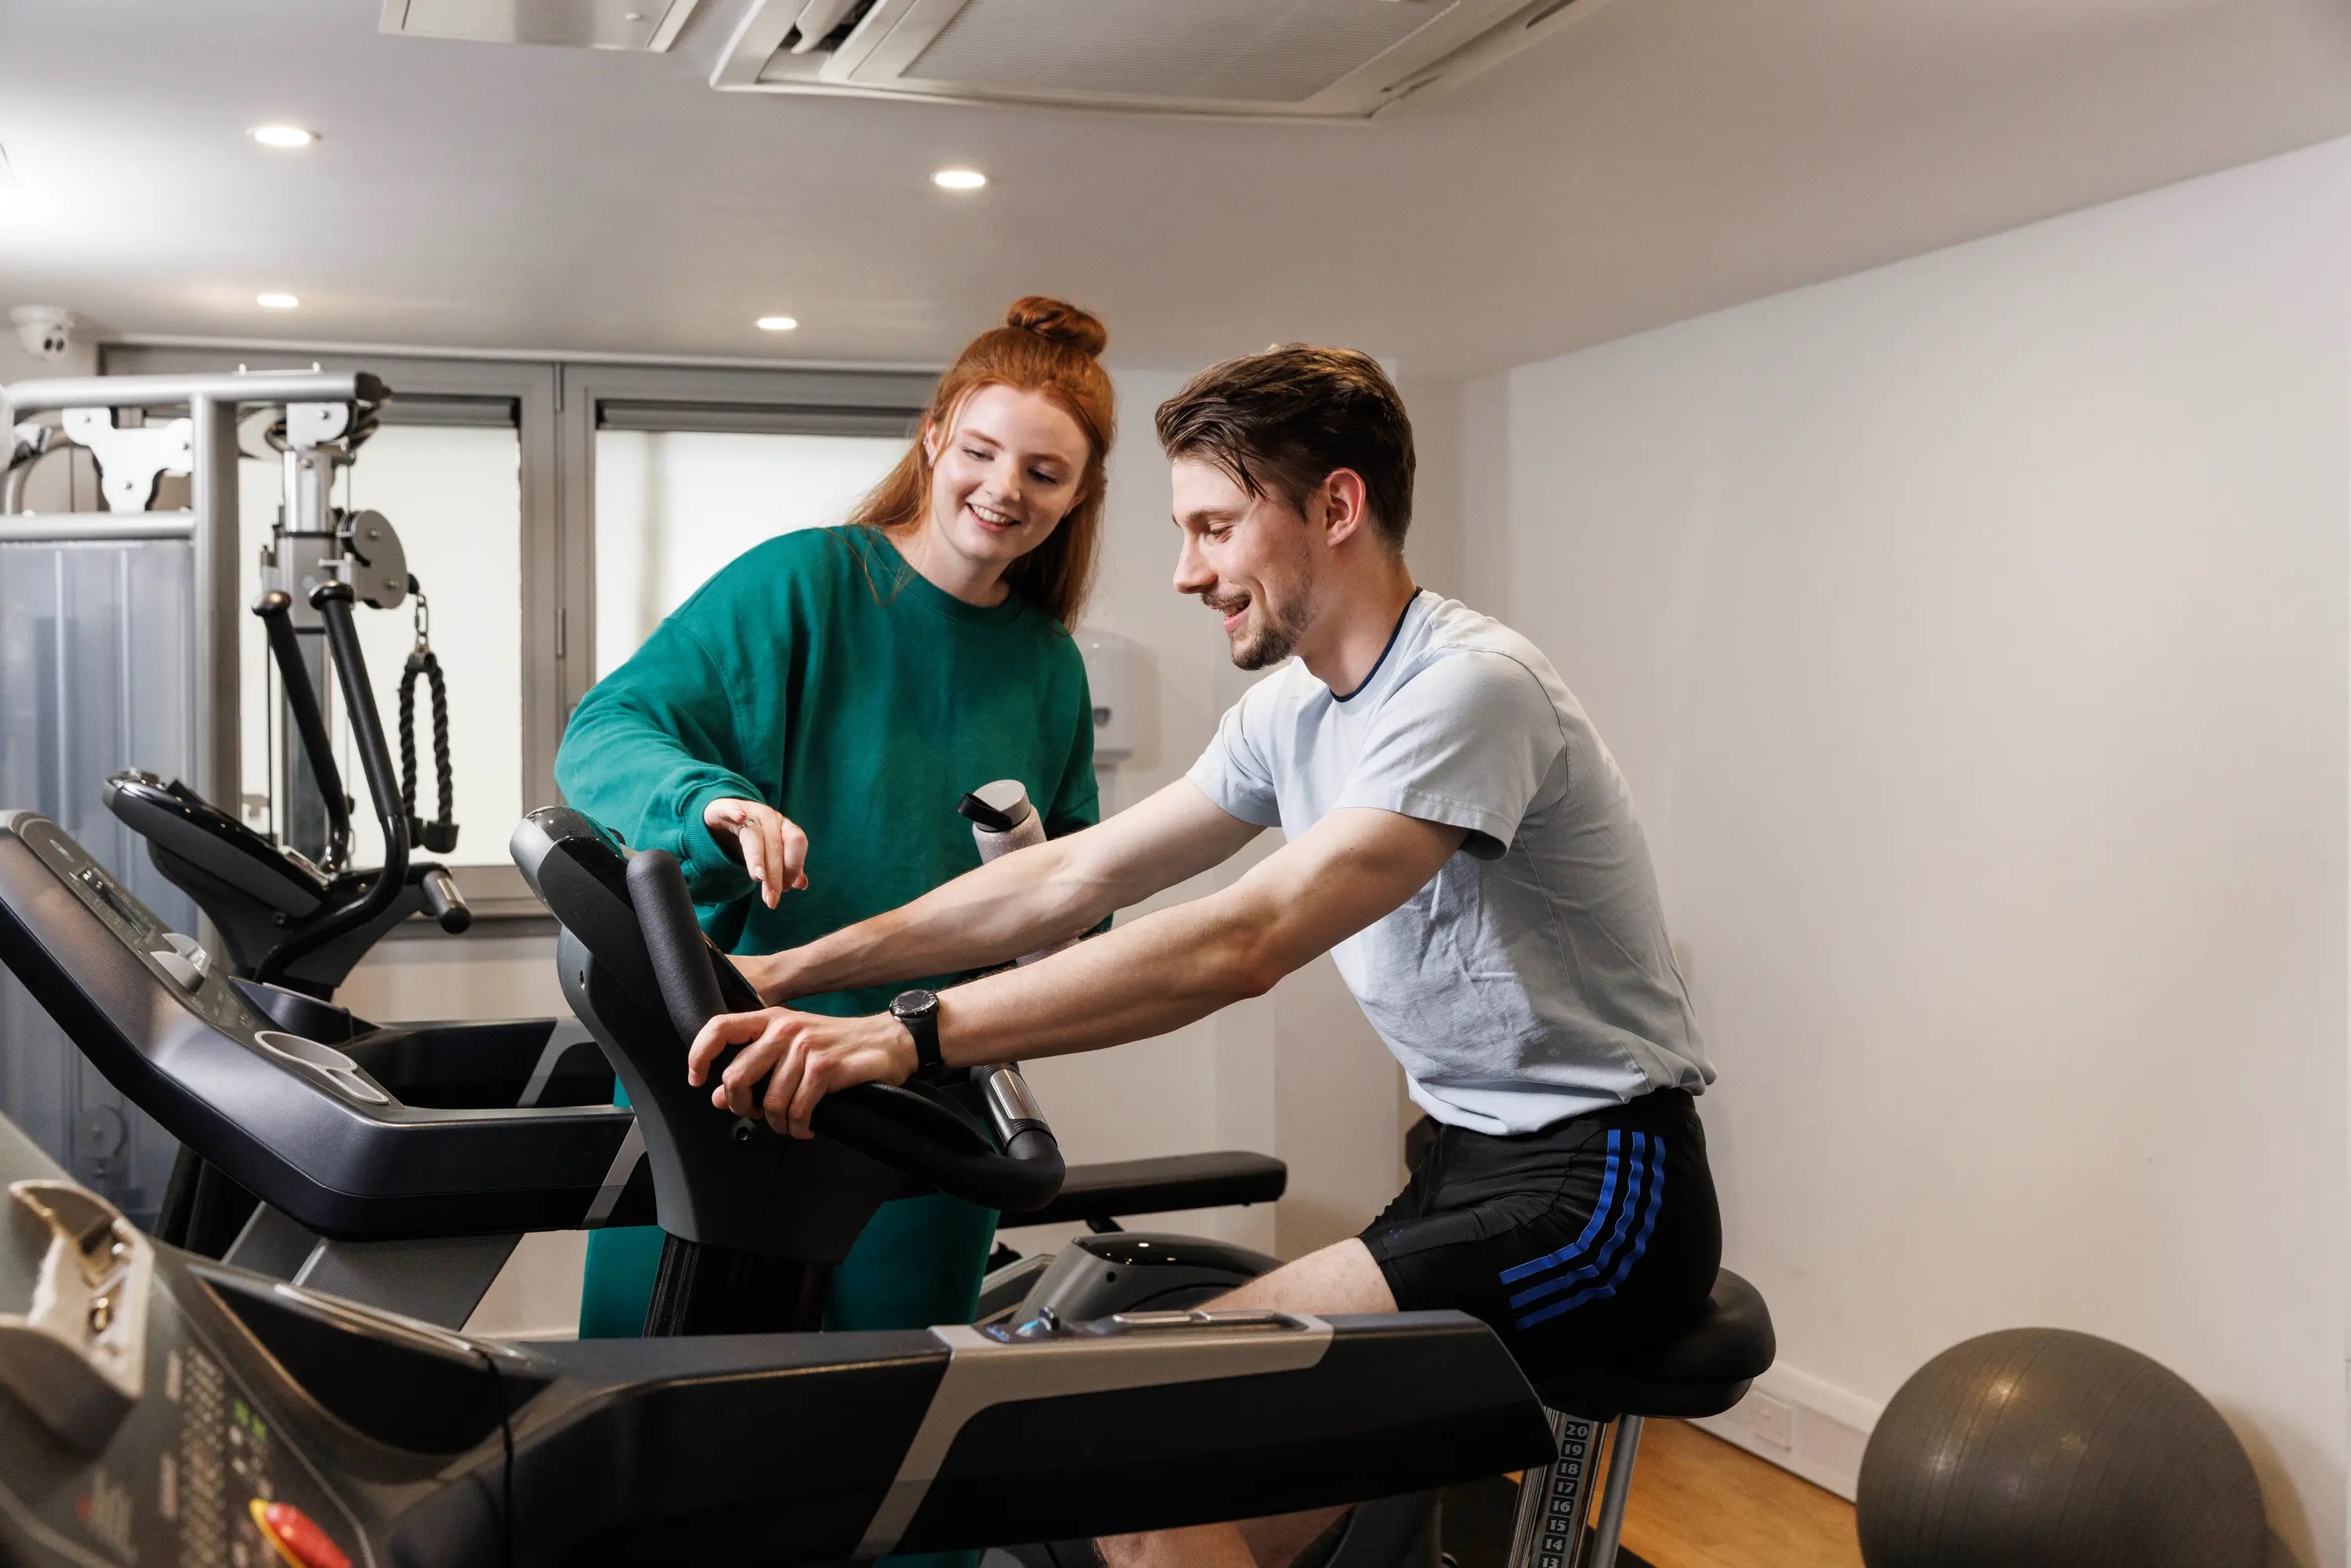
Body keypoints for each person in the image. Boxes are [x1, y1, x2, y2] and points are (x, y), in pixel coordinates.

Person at [686, 346, 1721, 1568]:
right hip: (1461, 1169)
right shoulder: (1292, 711)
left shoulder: (1470, 688)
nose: (1187, 572)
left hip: (1602, 1194)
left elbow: (1246, 938)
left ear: (1335, 508)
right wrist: (793, 970)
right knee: (1155, 1494)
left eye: (1216, 528)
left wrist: (907, 1035)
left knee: (1144, 1416)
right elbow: (1068, 876)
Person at [555, 296, 1113, 1371]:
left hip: (918, 1109)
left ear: (1079, 493)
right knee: (648, 1425)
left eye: (1043, 473)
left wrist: (1057, 910)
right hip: (721, 1096)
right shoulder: (806, 583)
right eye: (984, 451)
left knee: (880, 1447)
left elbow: (1081, 899)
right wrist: (708, 803)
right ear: (936, 433)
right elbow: (602, 732)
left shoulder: (1048, 666)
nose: (1004, 490)